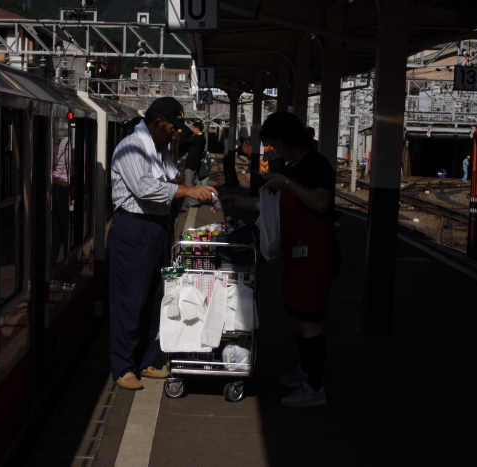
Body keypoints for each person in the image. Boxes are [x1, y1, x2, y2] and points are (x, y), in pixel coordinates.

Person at [221, 112, 337, 407]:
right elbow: (271, 206)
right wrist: (238, 202)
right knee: (294, 313)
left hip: (316, 252)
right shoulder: (291, 166)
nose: (275, 150)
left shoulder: (316, 165)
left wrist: (287, 184)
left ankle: (315, 387)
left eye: (277, 144)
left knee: (309, 318)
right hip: (295, 251)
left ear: (291, 139)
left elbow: (322, 202)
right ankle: (307, 369)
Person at [108, 97, 218, 390]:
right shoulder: (131, 148)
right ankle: (123, 366)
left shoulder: (158, 150)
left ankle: (145, 360)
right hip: (134, 228)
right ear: (157, 123)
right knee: (130, 299)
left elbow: (171, 178)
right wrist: (189, 189)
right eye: (172, 128)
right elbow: (146, 189)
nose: (176, 134)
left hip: (157, 228)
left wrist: (185, 187)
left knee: (155, 296)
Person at [179, 121, 206, 207]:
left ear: (197, 128)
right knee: (191, 182)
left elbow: (185, 140)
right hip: (195, 163)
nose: (193, 129)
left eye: (193, 128)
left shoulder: (198, 138)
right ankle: (195, 200)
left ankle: (194, 202)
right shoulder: (201, 138)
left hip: (192, 164)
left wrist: (180, 133)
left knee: (189, 183)